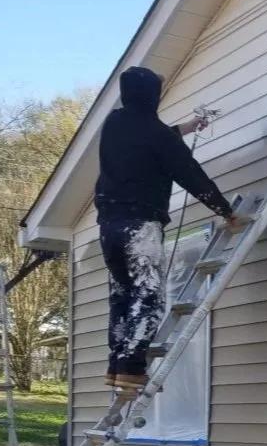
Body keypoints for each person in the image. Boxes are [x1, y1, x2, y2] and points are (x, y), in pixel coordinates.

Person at [96, 66, 237, 395]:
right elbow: (189, 172)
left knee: (122, 297)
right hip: (139, 227)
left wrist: (185, 128)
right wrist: (225, 211)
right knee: (148, 297)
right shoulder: (156, 135)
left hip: (108, 228)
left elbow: (148, 139)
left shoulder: (115, 123)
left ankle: (118, 368)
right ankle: (132, 372)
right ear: (151, 95)